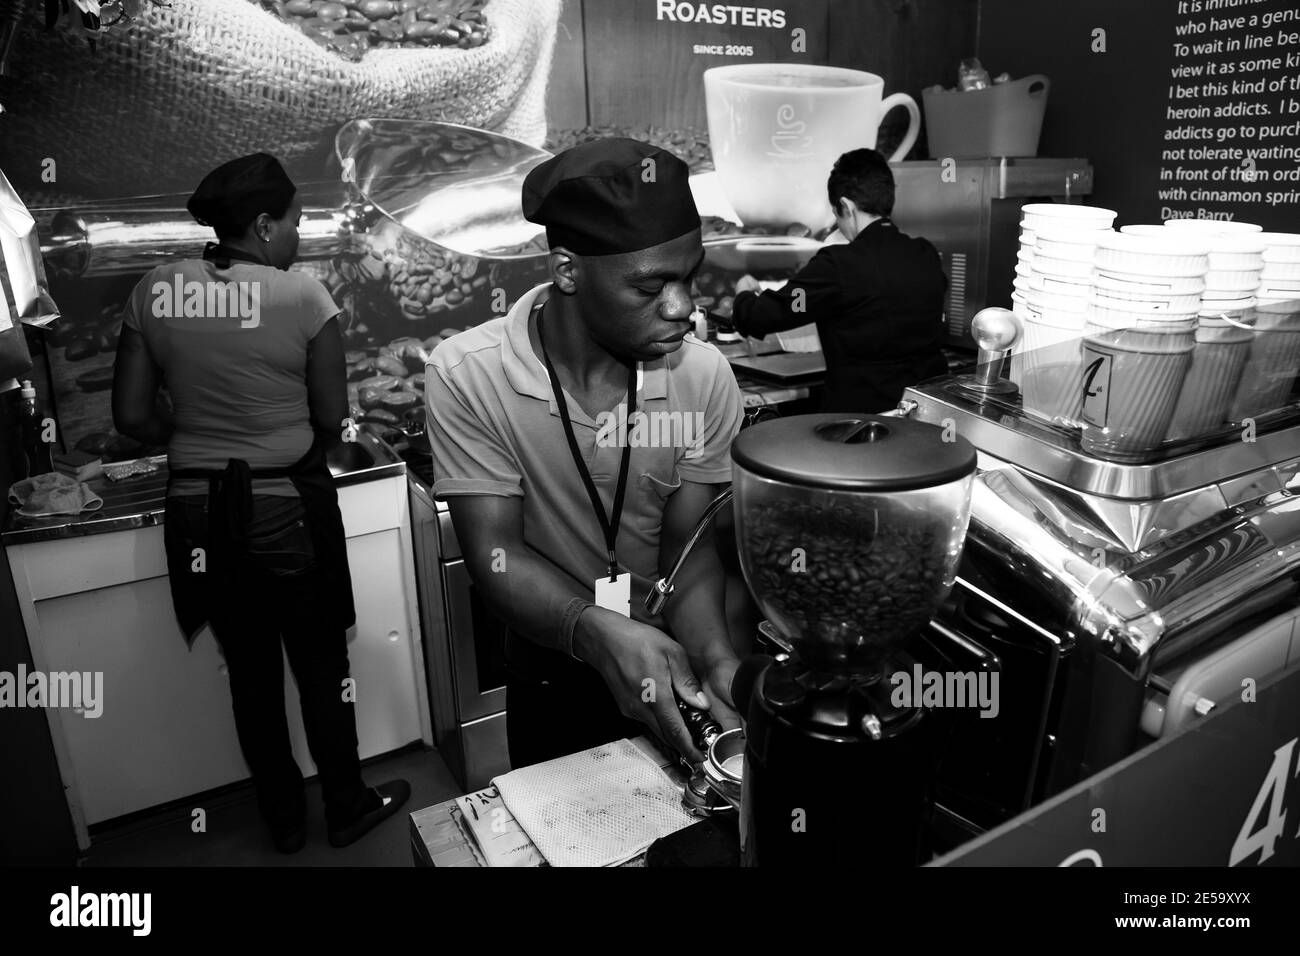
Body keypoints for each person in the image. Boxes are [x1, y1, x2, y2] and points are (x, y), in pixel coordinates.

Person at [111, 153, 409, 854]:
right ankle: (345, 807)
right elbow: (332, 415)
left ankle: (282, 823)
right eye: (296, 222)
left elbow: (131, 416)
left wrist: (194, 433)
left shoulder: (155, 292)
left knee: (249, 675)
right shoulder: (301, 297)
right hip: (285, 507)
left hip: (199, 513)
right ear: (265, 223)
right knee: (321, 670)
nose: (300, 236)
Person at [426, 138, 746, 769]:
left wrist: (714, 659)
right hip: (552, 661)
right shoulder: (468, 373)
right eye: (652, 286)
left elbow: (690, 553)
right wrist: (593, 631)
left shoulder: (702, 376)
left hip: (670, 653)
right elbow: (496, 555)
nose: (684, 307)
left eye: (690, 277)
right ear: (568, 270)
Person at [728, 148, 949, 413]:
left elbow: (766, 315)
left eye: (837, 214)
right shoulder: (925, 254)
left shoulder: (839, 265)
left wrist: (743, 295)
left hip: (862, 422)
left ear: (846, 206)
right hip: (925, 413)